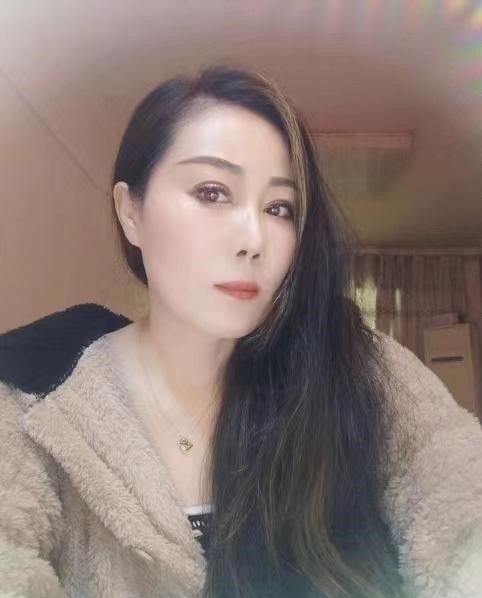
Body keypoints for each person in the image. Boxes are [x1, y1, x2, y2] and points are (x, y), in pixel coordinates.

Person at [1, 64, 481, 598]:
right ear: (130, 211)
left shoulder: (359, 365)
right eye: (212, 192)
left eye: (279, 208)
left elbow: (460, 499)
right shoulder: (35, 396)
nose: (254, 239)